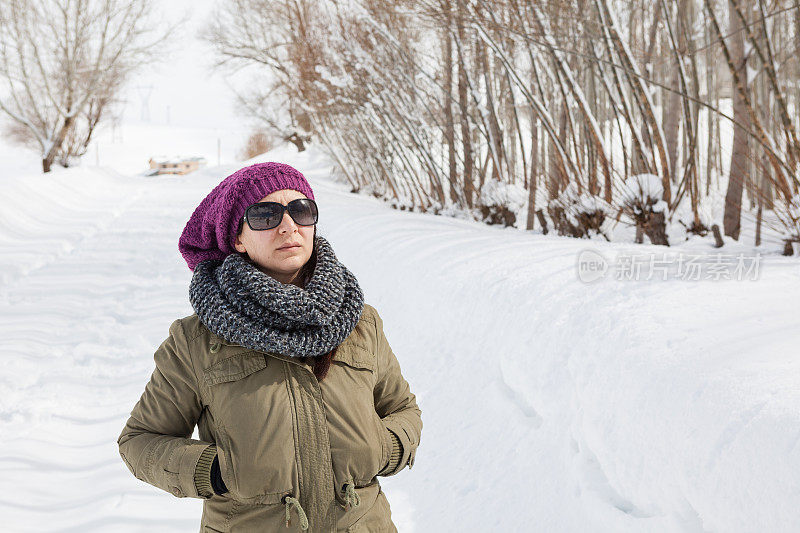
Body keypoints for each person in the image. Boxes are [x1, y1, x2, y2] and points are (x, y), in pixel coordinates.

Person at [117, 162, 422, 532]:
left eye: (301, 210)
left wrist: (381, 448)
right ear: (237, 238)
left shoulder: (359, 321)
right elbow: (140, 441)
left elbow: (403, 409)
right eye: (264, 215)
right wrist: (216, 473)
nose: (289, 226)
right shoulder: (197, 340)